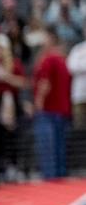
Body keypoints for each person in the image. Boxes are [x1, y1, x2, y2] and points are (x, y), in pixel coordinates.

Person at [33, 32, 72, 179]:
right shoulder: (63, 60)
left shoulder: (48, 59)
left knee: (48, 149)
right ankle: (59, 178)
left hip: (48, 110)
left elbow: (45, 84)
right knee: (59, 148)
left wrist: (38, 103)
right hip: (62, 110)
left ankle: (50, 178)